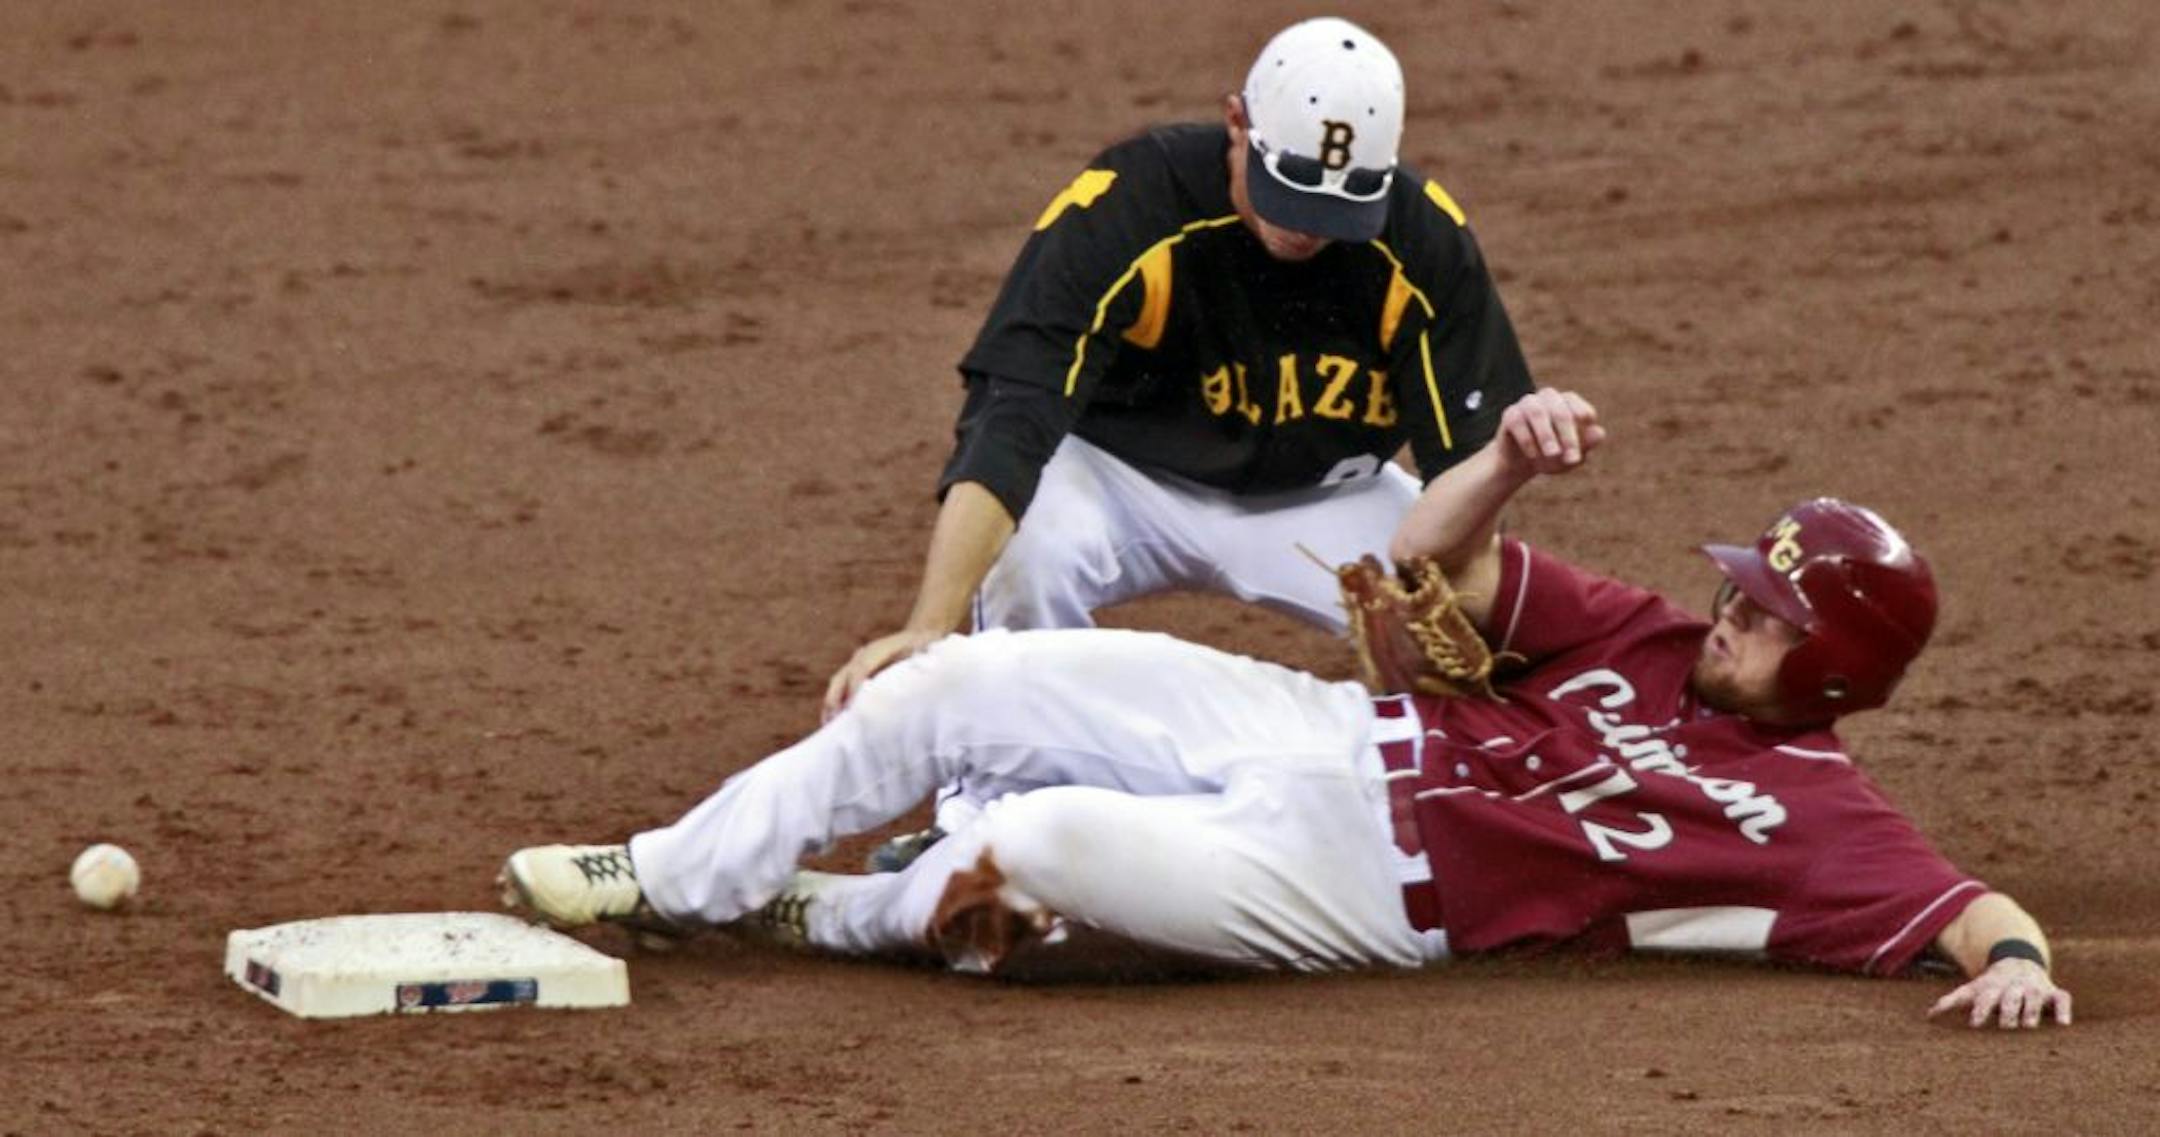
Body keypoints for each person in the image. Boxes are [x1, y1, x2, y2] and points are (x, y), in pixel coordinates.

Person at [501, 388, 2071, 1029]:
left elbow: (1972, 912)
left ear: (1838, 671)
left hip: (1354, 894)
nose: (1730, 611)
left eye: (1769, 616)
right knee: (962, 680)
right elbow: (1424, 562)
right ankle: (676, 871)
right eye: (1741, 588)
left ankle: (823, 913)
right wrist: (1503, 460)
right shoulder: (1652, 637)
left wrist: (2015, 971)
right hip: (1318, 733)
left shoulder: (1824, 823)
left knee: (1030, 848)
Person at [820, 17, 1538, 855]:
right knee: (1027, 552)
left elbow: (1468, 467)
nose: (1305, 228)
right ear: (1237, 123)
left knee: (1466, 622)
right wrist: (933, 622)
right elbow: (1013, 410)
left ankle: (1471, 831)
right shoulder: (1133, 202)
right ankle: (988, 823)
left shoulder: (1422, 240)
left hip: (1322, 497)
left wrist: (1499, 495)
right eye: (1287, 190)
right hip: (1117, 481)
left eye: (1337, 208)